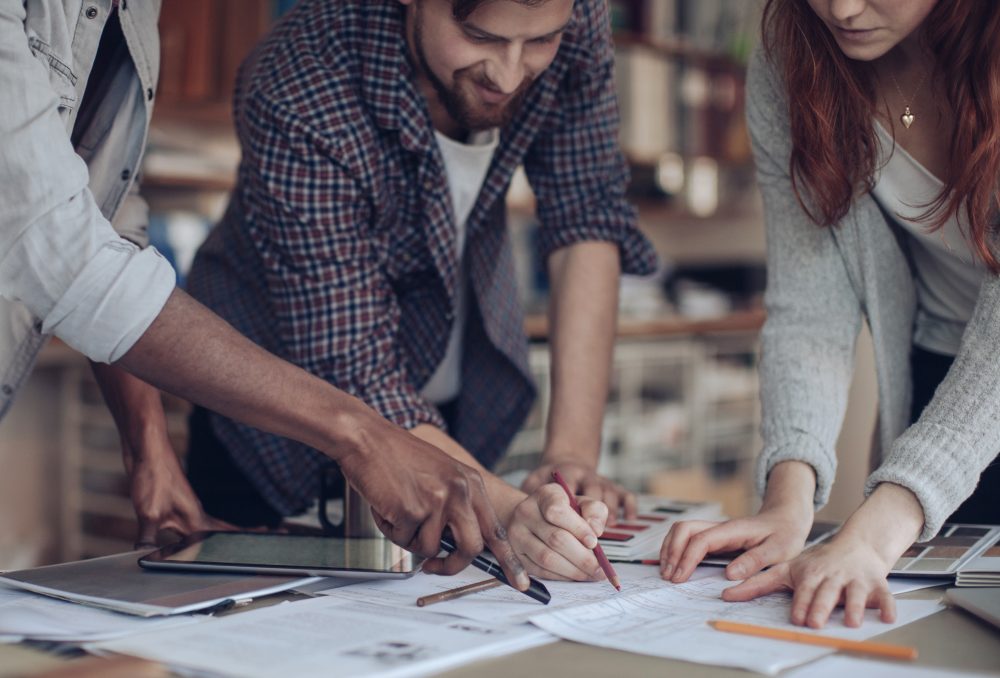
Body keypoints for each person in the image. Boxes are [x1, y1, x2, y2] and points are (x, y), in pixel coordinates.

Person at [0, 0, 532, 589]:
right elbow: (57, 246)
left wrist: (147, 446)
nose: (509, 74)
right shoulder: (299, 76)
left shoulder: (135, 13)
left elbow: (107, 217)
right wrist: (359, 432)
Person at [183, 0, 657, 581]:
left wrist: (571, 456)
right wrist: (509, 512)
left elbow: (586, 216)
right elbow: (351, 367)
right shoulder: (301, 77)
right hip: (277, 437)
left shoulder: (568, 13)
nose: (508, 75)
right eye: (479, 35)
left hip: (446, 421)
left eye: (539, 43)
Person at [659, 0, 1000, 628]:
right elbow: (810, 297)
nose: (839, 9)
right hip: (937, 377)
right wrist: (787, 502)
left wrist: (874, 532)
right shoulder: (794, 59)